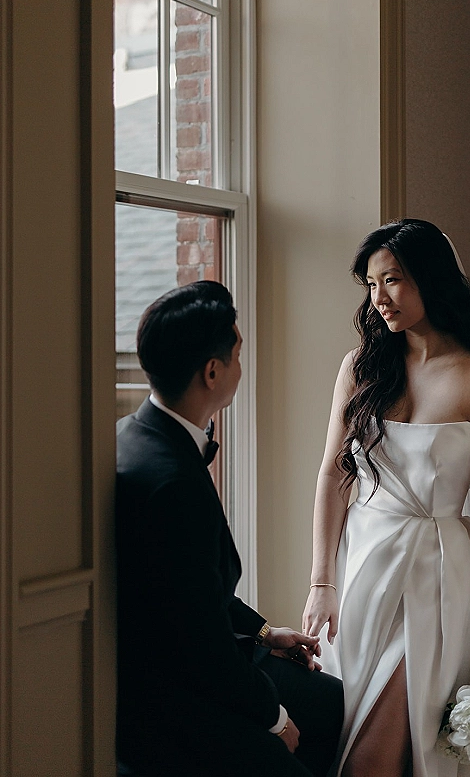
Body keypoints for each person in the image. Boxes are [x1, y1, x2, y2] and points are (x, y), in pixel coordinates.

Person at [302, 220, 470, 777]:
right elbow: (334, 475)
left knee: (380, 756)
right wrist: (320, 582)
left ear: (433, 279)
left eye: (394, 281)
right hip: (362, 570)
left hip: (441, 579)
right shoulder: (362, 366)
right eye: (371, 284)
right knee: (353, 732)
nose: (379, 298)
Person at [116, 280, 343, 777]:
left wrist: (266, 632)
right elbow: (200, 643)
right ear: (213, 372)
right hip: (168, 696)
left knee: (333, 702)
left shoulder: (137, 433)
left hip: (196, 654)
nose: (242, 365)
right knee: (305, 738)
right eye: (238, 354)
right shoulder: (171, 480)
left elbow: (198, 590)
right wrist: (273, 718)